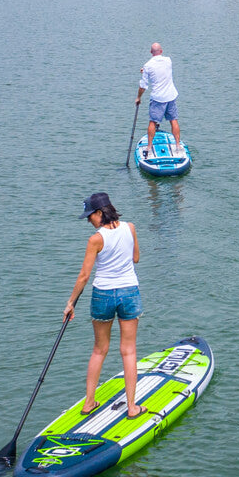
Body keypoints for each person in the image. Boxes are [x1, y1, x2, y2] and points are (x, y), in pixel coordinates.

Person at [63, 192, 144, 418]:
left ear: (100, 213)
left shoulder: (96, 239)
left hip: (103, 295)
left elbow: (84, 276)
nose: (89, 221)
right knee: (128, 351)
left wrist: (70, 304)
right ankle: (132, 408)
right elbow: (136, 258)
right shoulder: (130, 227)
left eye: (90, 216)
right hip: (129, 292)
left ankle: (89, 403)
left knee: (99, 350)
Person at [135, 42, 181, 158]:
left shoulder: (148, 66)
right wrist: (145, 70)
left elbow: (143, 86)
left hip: (158, 99)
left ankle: (149, 148)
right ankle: (177, 145)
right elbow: (160, 70)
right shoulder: (168, 61)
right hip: (170, 96)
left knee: (153, 122)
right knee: (173, 120)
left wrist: (138, 98)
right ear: (161, 51)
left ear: (151, 52)